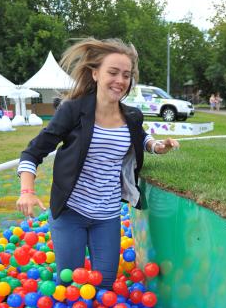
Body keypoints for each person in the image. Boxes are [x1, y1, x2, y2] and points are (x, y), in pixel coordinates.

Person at [16, 37, 179, 289]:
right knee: (69, 285)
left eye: (126, 75)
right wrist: (27, 191)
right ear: (95, 74)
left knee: (104, 283)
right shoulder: (73, 110)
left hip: (108, 215)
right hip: (71, 212)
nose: (120, 81)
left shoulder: (132, 115)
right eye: (113, 72)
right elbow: (33, 152)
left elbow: (140, 136)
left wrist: (157, 146)